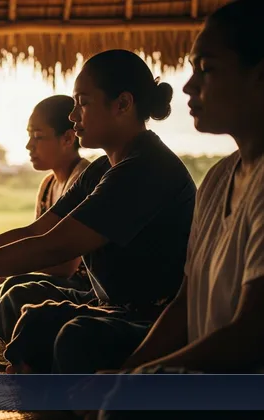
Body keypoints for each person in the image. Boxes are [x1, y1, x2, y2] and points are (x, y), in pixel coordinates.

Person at [0, 49, 196, 374]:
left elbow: (54, 247)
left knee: (75, 336)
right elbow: (35, 232)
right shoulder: (104, 169)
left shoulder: (145, 169)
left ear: (122, 104)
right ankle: (47, 374)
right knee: (34, 315)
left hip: (151, 318)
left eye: (83, 103)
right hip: (107, 305)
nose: (74, 116)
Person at [94, 1, 264, 418]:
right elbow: (187, 303)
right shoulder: (219, 179)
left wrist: (145, 377)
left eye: (207, 68)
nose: (188, 87)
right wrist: (127, 372)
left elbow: (252, 333)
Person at [0, 95, 91, 318]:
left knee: (13, 287)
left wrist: (7, 279)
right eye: (29, 135)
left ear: (67, 138)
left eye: (38, 136)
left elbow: (65, 266)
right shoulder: (48, 185)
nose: (29, 145)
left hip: (81, 285)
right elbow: (33, 240)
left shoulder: (84, 179)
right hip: (52, 271)